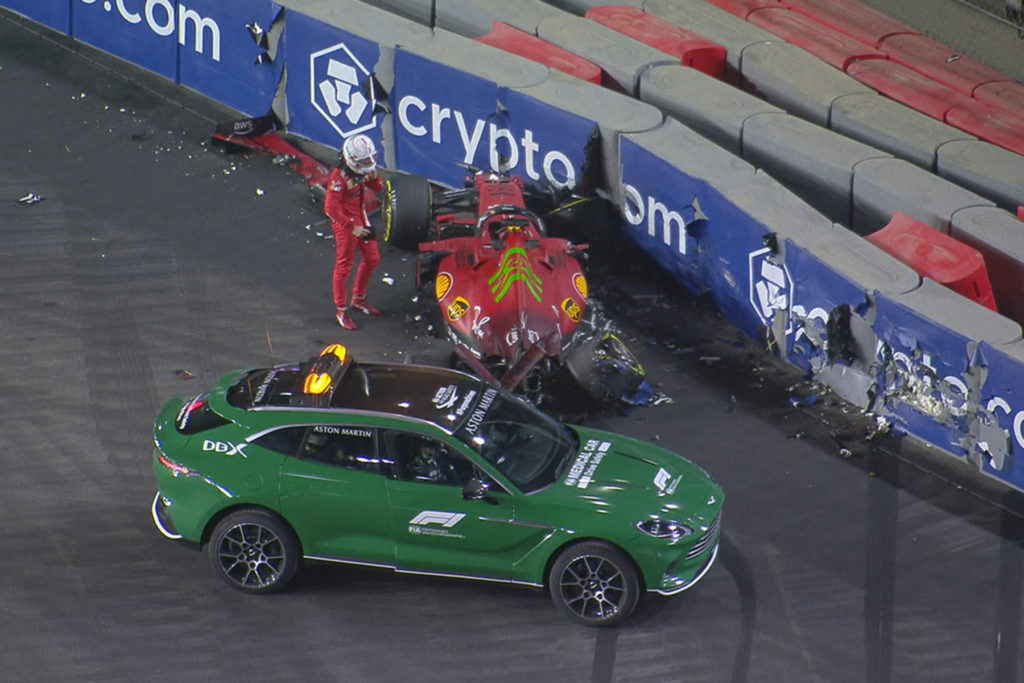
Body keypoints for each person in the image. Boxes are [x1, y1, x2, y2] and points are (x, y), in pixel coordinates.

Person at [324, 133, 385, 330]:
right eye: (365, 160)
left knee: (373, 259)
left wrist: (375, 181)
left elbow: (377, 188)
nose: (370, 163)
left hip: (361, 218)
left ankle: (358, 299)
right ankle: (341, 310)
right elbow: (330, 209)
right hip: (345, 224)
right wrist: (352, 227)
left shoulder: (361, 172)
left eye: (370, 158)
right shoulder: (338, 178)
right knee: (344, 266)